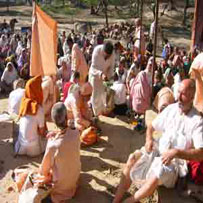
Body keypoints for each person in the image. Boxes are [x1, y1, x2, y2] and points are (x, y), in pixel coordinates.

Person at [113, 79, 203, 203]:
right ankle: (115, 200)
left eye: (184, 94)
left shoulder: (197, 121)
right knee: (132, 158)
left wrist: (176, 152)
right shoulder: (172, 108)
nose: (179, 98)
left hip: (175, 164)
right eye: (179, 92)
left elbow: (200, 154)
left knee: (159, 170)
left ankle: (131, 200)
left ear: (192, 97)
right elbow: (151, 127)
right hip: (157, 149)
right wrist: (148, 139)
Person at [39, 102, 81, 202]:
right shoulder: (76, 133)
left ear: (53, 121)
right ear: (66, 117)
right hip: (74, 179)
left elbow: (44, 170)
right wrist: (57, 134)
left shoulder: (52, 145)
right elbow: (66, 133)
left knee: (41, 176)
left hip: (61, 187)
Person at [15, 76, 47, 157]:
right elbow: (42, 132)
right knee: (48, 137)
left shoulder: (23, 103)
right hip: (34, 149)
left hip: (20, 149)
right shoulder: (38, 108)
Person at [89, 41, 115, 116]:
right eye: (105, 55)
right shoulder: (97, 50)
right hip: (95, 76)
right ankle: (95, 114)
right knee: (95, 96)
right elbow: (93, 67)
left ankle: (102, 112)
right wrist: (101, 74)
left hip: (105, 77)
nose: (106, 57)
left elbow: (111, 68)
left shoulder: (112, 55)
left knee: (104, 95)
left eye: (108, 56)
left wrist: (110, 78)